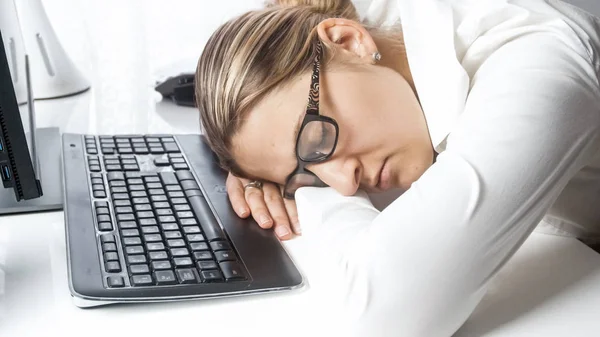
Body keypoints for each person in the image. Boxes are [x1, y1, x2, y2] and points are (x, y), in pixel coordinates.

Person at [195, 0, 600, 335]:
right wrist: (273, 166)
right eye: (301, 176)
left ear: (348, 41)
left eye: (317, 139)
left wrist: (308, 190)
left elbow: (387, 315)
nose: (343, 183)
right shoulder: (382, 46)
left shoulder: (537, 68)